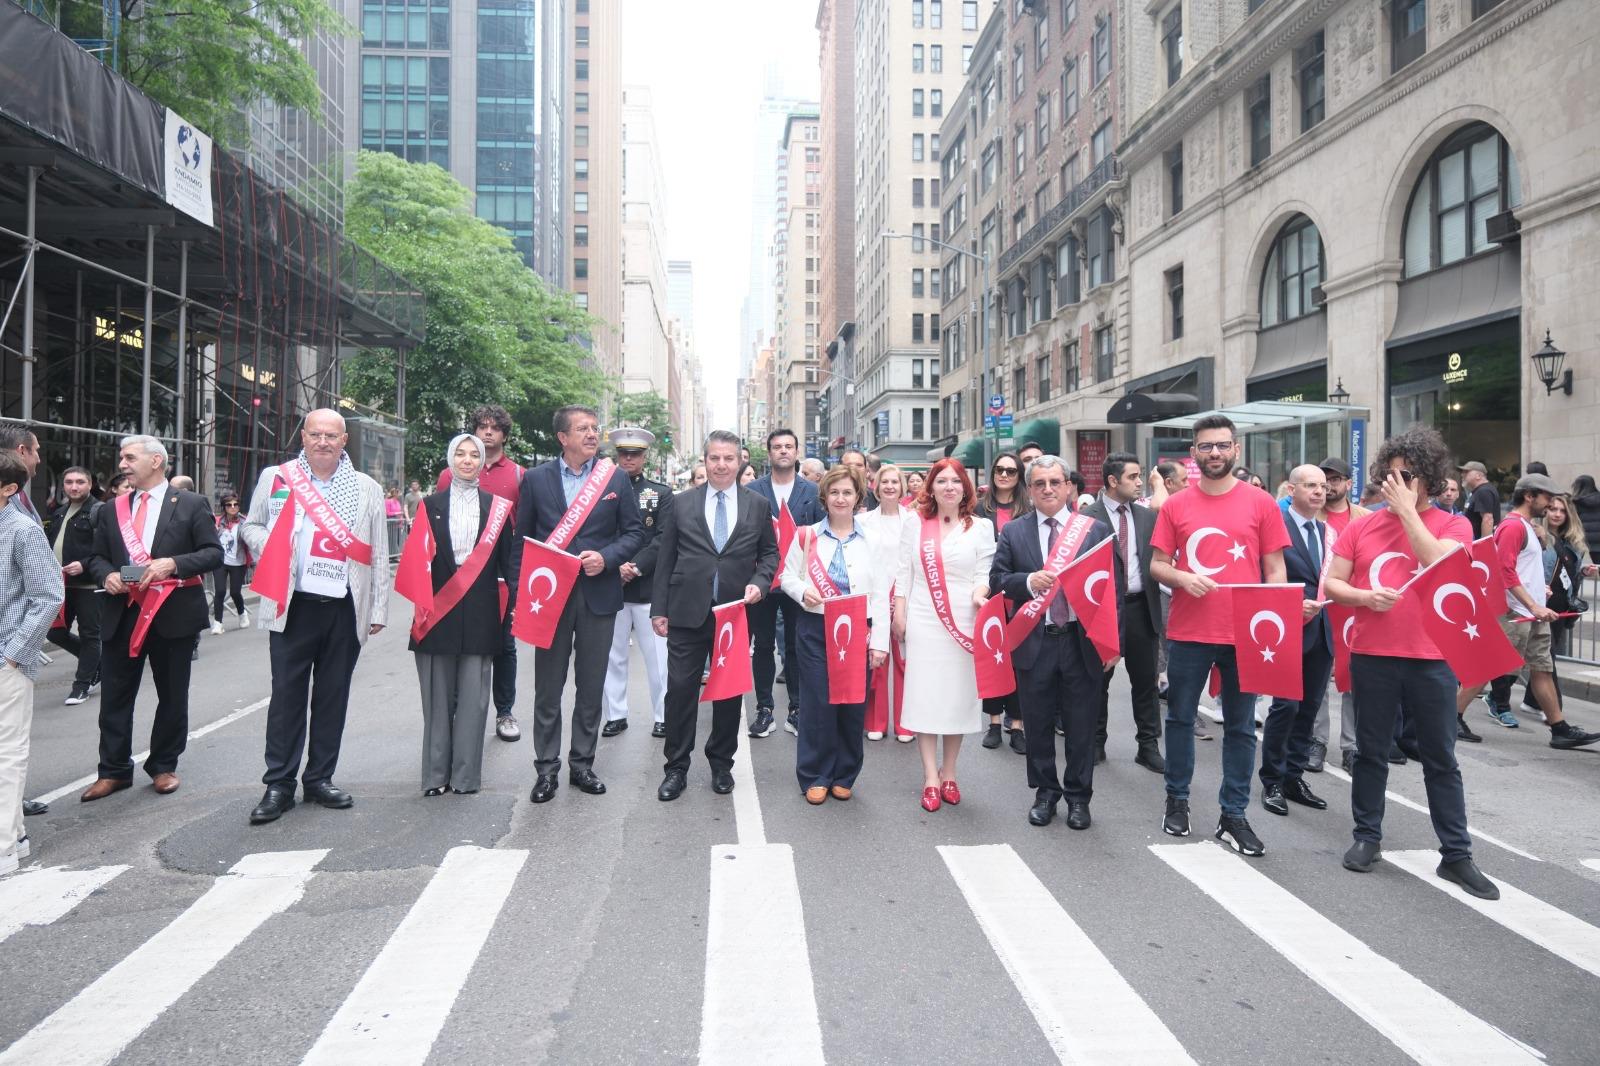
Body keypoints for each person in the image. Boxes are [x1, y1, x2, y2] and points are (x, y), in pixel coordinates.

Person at [1324, 426, 1499, 899]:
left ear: (1429, 478)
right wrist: (1364, 596)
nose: (1397, 483)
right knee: (1370, 752)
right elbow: (1333, 582)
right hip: (1373, 655)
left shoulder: (1453, 524)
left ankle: (1456, 855)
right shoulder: (1361, 525)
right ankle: (1367, 837)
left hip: (1432, 659)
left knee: (1440, 758)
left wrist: (1406, 514)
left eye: (1408, 475)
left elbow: (1442, 564)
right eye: (1391, 475)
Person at [241, 409, 389, 825]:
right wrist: (273, 542)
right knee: (286, 697)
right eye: (316, 434)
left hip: (344, 605)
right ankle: (279, 784)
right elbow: (250, 526)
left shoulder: (367, 488)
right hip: (293, 604)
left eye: (331, 435)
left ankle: (320, 778)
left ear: (344, 441)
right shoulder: (277, 478)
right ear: (303, 437)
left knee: (332, 695)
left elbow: (378, 551)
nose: (323, 441)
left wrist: (377, 607)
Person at [1149, 414, 1288, 856]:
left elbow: (1275, 569)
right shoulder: (1176, 506)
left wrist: (1280, 613)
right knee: (1180, 720)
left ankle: (1234, 815)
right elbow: (1157, 565)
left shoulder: (1261, 503)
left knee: (1242, 728)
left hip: (1246, 633)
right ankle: (1177, 801)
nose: (1215, 453)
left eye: (1222, 445)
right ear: (1194, 454)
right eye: (1206, 446)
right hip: (1190, 630)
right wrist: (1182, 578)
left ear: (1236, 449)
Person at [79, 435, 221, 802]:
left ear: (156, 461)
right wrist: (106, 575)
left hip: (171, 614)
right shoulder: (111, 509)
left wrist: (173, 563)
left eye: (129, 458)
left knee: (172, 695)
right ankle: (113, 771)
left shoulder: (191, 504)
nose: (122, 464)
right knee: (114, 696)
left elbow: (212, 553)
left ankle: (163, 765)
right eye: (122, 458)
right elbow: (96, 557)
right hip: (122, 612)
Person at [516, 405, 644, 804]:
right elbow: (522, 542)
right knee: (548, 688)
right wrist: (520, 597)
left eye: (594, 428)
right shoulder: (536, 479)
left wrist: (606, 558)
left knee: (591, 686)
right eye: (583, 429)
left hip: (597, 594)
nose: (592, 434)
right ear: (562, 437)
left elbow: (634, 532)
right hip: (548, 599)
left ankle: (582, 764)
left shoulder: (614, 478)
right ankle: (546, 769)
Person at [651, 430, 779, 801]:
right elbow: (665, 558)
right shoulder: (681, 503)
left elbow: (769, 554)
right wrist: (659, 609)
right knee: (680, 691)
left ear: (740, 461)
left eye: (728, 458)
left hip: (734, 615)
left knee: (727, 693)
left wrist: (759, 583)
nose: (721, 465)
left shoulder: (757, 505)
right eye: (714, 458)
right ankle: (676, 768)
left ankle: (721, 764)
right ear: (704, 461)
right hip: (686, 611)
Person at [991, 455, 1116, 829]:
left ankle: (1079, 798)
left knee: (1081, 725)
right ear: (1029, 490)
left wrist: (1113, 645)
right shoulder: (1014, 532)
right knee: (1038, 724)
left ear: (1068, 487)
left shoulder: (1093, 530)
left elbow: (1113, 588)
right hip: (1035, 640)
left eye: (1055, 482)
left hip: (1081, 641)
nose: (1047, 489)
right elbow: (998, 580)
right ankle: (1045, 793)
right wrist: (1028, 582)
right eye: (1039, 483)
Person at [410, 434, 518, 795]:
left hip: (481, 609)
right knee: (436, 697)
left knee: (473, 699)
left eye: (475, 454)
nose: (468, 460)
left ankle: (466, 777)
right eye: (460, 453)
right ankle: (435, 776)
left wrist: (513, 609)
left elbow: (509, 564)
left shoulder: (497, 508)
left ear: (482, 461)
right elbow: (415, 561)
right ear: (450, 459)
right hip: (437, 608)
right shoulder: (429, 505)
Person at [1457, 474, 1600, 748]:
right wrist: (1533, 604)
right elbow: (1504, 571)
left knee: (1542, 669)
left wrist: (1538, 594)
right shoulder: (1513, 527)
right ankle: (1452, 717)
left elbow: (1520, 570)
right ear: (1529, 496)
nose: (1550, 503)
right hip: (1517, 613)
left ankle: (1559, 728)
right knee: (1490, 666)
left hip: (1531, 612)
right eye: (1547, 497)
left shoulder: (1526, 527)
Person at [782, 465, 890, 803]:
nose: (840, 499)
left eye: (847, 492)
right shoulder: (807, 536)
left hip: (859, 628)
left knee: (852, 702)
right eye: (834, 492)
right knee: (818, 701)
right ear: (824, 497)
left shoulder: (874, 540)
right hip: (815, 627)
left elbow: (881, 593)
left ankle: (844, 773)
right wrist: (802, 591)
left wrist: (880, 643)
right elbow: (787, 576)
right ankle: (815, 774)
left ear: (858, 497)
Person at [894, 458, 994, 812]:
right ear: (931, 487)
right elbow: (903, 570)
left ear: (965, 487)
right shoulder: (914, 522)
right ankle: (930, 777)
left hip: (963, 618)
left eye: (955, 481)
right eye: (941, 481)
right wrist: (899, 612)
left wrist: (980, 595)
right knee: (925, 695)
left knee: (956, 697)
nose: (949, 487)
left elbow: (984, 572)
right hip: (924, 616)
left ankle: (949, 772)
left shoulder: (980, 527)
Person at [437, 404, 526, 742]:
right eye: (482, 426)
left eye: (495, 427)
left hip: (500, 571)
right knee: (458, 644)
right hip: (459, 573)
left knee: (504, 645)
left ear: (504, 434)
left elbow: (524, 527)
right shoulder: (449, 474)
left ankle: (505, 711)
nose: (488, 432)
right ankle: (456, 712)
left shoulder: (518, 475)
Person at [0, 451, 64, 874]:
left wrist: (12, 655)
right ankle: (17, 835)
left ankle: (4, 847)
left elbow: (49, 596)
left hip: (6, 659)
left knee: (6, 754)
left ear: (8, 489)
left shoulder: (23, 531)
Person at [1080, 452, 1164, 772]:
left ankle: (1148, 746)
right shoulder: (1087, 517)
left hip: (1141, 608)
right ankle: (1095, 742)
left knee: (1146, 683)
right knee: (1098, 681)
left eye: (1140, 475)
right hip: (1103, 612)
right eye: (1133, 477)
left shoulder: (1146, 516)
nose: (1140, 482)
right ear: (1113, 481)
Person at [1258, 466, 1333, 819]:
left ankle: (1294, 776)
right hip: (1285, 629)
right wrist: (1291, 603)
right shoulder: (1277, 524)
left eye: (1323, 486)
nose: (1319, 492)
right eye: (1310, 485)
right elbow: (1262, 576)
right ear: (1292, 489)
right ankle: (1272, 780)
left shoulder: (1327, 532)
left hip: (1322, 630)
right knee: (1285, 706)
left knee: (1309, 707)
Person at [747, 428, 824, 740]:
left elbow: (820, 535)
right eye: (777, 446)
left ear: (796, 452)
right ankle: (764, 709)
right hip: (762, 580)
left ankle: (797, 708)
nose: (783, 451)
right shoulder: (752, 490)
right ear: (769, 453)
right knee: (763, 646)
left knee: (795, 646)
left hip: (799, 583)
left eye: (788, 446)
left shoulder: (812, 491)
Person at [603, 426, 673, 739]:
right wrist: (615, 566)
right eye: (623, 454)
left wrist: (634, 567)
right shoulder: (604, 491)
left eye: (635, 454)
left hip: (647, 589)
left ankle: (663, 715)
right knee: (613, 656)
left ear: (645, 457)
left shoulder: (660, 494)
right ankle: (615, 714)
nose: (628, 459)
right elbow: (600, 534)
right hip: (611, 584)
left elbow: (663, 538)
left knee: (658, 660)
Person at [974, 452, 1027, 753]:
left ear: (1019, 476)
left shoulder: (1028, 509)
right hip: (990, 593)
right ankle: (994, 722)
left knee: (1019, 661)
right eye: (999, 470)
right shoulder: (979, 509)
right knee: (993, 657)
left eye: (1011, 470)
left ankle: (1017, 724)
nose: (1004, 475)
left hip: (1020, 594)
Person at [860, 463, 915, 742]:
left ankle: (906, 724)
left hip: (906, 597)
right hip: (875, 597)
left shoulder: (914, 520)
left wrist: (902, 599)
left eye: (895, 482)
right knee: (877, 660)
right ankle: (875, 722)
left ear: (902, 487)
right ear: (876, 487)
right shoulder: (863, 521)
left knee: (905, 662)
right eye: (885, 482)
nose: (890, 486)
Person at [44, 467, 104, 705]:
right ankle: (97, 664)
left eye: (80, 482)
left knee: (90, 635)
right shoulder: (59, 512)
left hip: (88, 586)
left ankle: (81, 686)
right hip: (61, 586)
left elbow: (107, 549)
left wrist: (85, 564)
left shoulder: (100, 511)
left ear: (90, 484)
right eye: (69, 482)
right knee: (55, 633)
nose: (74, 487)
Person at [1542, 493, 1596, 659]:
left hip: (1561, 605)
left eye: (1562, 510)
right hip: (1541, 604)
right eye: (1553, 509)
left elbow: (1569, 578)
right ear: (1545, 511)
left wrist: (1582, 573)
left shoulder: (1573, 543)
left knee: (1547, 658)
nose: (1557, 514)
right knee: (1544, 658)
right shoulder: (1537, 537)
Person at [209, 494, 251, 635]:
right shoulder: (217, 521)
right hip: (221, 562)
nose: (233, 507)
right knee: (220, 591)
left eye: (235, 504)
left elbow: (252, 540)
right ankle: (218, 623)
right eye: (229, 505)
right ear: (224, 507)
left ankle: (242, 613)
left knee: (235, 592)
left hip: (238, 562)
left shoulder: (245, 522)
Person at [0, 425, 43, 522]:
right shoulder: (5, 493)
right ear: (22, 451)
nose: (39, 460)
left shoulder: (16, 490)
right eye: (36, 450)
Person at [1459, 460, 1500, 539]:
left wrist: (1484, 543)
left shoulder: (1484, 491)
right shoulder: (1479, 490)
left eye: (1466, 472)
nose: (1462, 475)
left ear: (1478, 476)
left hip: (1478, 541)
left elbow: (1487, 519)